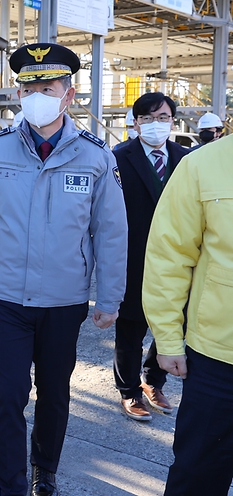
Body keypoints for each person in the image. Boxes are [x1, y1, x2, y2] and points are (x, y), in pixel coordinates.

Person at [0, 43, 127, 496]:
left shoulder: (95, 157)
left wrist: (110, 298)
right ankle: (9, 484)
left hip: (64, 301)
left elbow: (110, 233)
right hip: (7, 298)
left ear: (68, 95)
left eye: (47, 87)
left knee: (55, 392)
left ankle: (44, 469)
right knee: (9, 394)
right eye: (29, 86)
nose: (36, 95)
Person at [144, 129, 233, 495]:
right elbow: (169, 256)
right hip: (218, 358)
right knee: (198, 474)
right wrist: (167, 338)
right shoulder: (203, 165)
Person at [111, 92, 189, 422]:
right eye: (147, 118)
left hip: (178, 260)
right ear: (135, 121)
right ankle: (129, 391)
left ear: (173, 121)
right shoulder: (118, 157)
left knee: (171, 326)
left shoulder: (186, 158)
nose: (155, 124)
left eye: (163, 118)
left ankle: (153, 382)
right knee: (130, 329)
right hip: (133, 258)